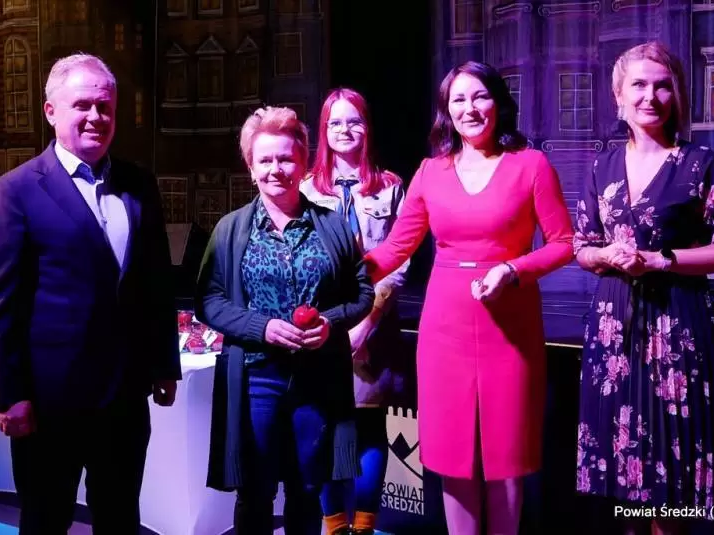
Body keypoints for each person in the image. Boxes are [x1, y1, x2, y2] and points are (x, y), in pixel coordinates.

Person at [364, 60, 575, 534]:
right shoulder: (430, 172)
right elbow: (396, 249)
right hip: (446, 330)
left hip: (511, 328)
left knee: (507, 459)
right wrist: (347, 269)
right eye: (458, 99)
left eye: (479, 96)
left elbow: (564, 243)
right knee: (453, 458)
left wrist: (513, 269)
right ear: (446, 110)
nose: (470, 108)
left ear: (498, 102)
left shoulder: (531, 165)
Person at [0, 53, 180, 534]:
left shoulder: (139, 185)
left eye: (105, 106)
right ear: (51, 111)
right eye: (83, 105)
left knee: (120, 519)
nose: (96, 117)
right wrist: (10, 396)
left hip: (124, 399)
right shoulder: (15, 191)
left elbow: (155, 283)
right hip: (49, 406)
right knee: (45, 521)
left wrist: (164, 365)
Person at [573, 42, 714, 535]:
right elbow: (582, 245)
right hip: (613, 332)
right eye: (638, 84)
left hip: (677, 327)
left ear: (676, 95)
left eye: (662, 85)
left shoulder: (698, 163)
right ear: (618, 95)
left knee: (671, 487)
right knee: (623, 485)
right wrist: (605, 256)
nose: (649, 96)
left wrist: (661, 259)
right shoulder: (602, 165)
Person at [195, 106, 375, 535]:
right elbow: (209, 300)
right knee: (255, 492)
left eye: (285, 159)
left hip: (317, 379)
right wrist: (262, 328)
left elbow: (363, 293)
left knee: (307, 489)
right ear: (250, 167)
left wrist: (330, 322)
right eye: (265, 160)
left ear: (303, 162)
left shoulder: (332, 226)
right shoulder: (230, 230)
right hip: (256, 379)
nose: (276, 169)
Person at [301, 88, 409, 535]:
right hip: (322, 330)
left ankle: (363, 528)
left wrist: (365, 325)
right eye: (335, 123)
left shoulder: (391, 187)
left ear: (367, 127)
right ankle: (333, 526)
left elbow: (400, 261)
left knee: (369, 432)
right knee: (327, 431)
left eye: (354, 121)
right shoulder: (306, 189)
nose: (345, 130)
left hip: (375, 331)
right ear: (324, 131)